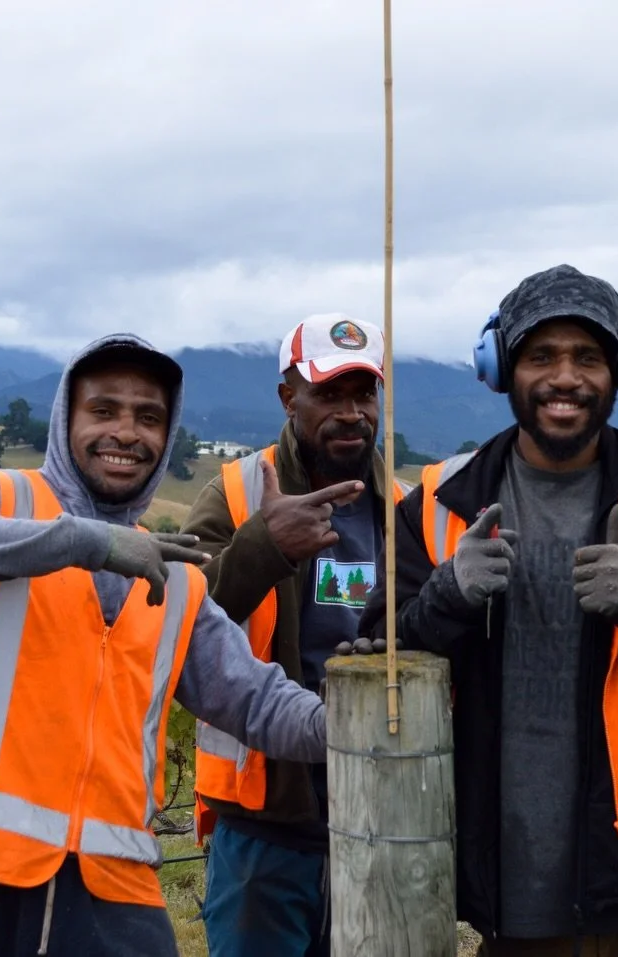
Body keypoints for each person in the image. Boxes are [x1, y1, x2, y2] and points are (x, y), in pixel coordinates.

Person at [0, 334, 327, 957]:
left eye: (149, 418)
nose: (126, 433)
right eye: (104, 410)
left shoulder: (177, 579)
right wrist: (87, 542)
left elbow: (257, 701)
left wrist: (352, 729)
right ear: (66, 419)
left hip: (113, 885)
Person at [360, 264, 618, 957]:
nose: (565, 377)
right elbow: (377, 652)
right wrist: (447, 597)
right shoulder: (438, 501)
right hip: (509, 899)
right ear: (501, 368)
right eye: (541, 356)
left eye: (587, 357)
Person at [181, 313, 406, 957]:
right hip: (265, 820)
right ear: (289, 397)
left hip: (381, 812)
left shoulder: (406, 508)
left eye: (363, 394)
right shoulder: (235, 494)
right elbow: (176, 623)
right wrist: (265, 547)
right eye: (329, 394)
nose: (351, 414)